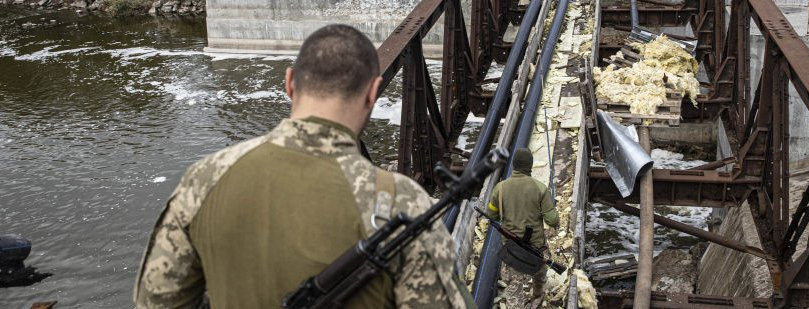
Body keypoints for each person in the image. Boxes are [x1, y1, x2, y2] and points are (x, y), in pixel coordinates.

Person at [134, 24, 471, 308]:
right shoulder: (401, 202)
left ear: (290, 83)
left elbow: (157, 299)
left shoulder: (204, 179)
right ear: (373, 93)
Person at [485, 148, 558, 306]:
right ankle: (538, 296)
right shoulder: (540, 188)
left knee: (514, 287)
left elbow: (491, 215)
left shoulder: (500, 188)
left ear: (514, 165)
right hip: (536, 246)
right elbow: (552, 220)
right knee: (540, 274)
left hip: (512, 249)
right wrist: (553, 211)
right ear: (530, 166)